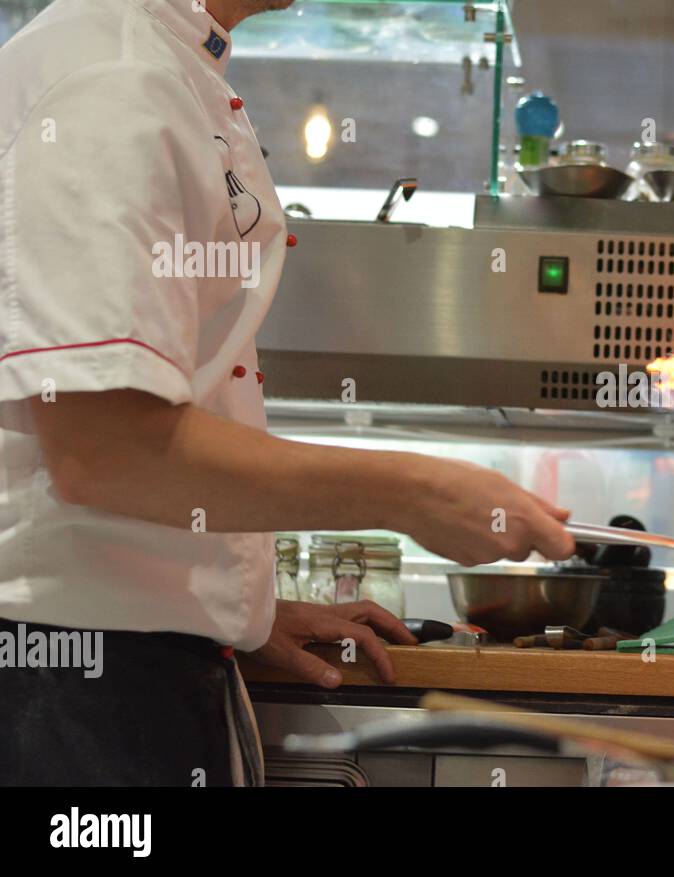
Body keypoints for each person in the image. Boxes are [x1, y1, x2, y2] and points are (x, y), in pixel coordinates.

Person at [0, 0, 575, 785]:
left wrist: (233, 603)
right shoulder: (108, 74)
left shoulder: (168, 60)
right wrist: (415, 492)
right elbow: (107, 450)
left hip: (128, 667)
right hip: (72, 695)